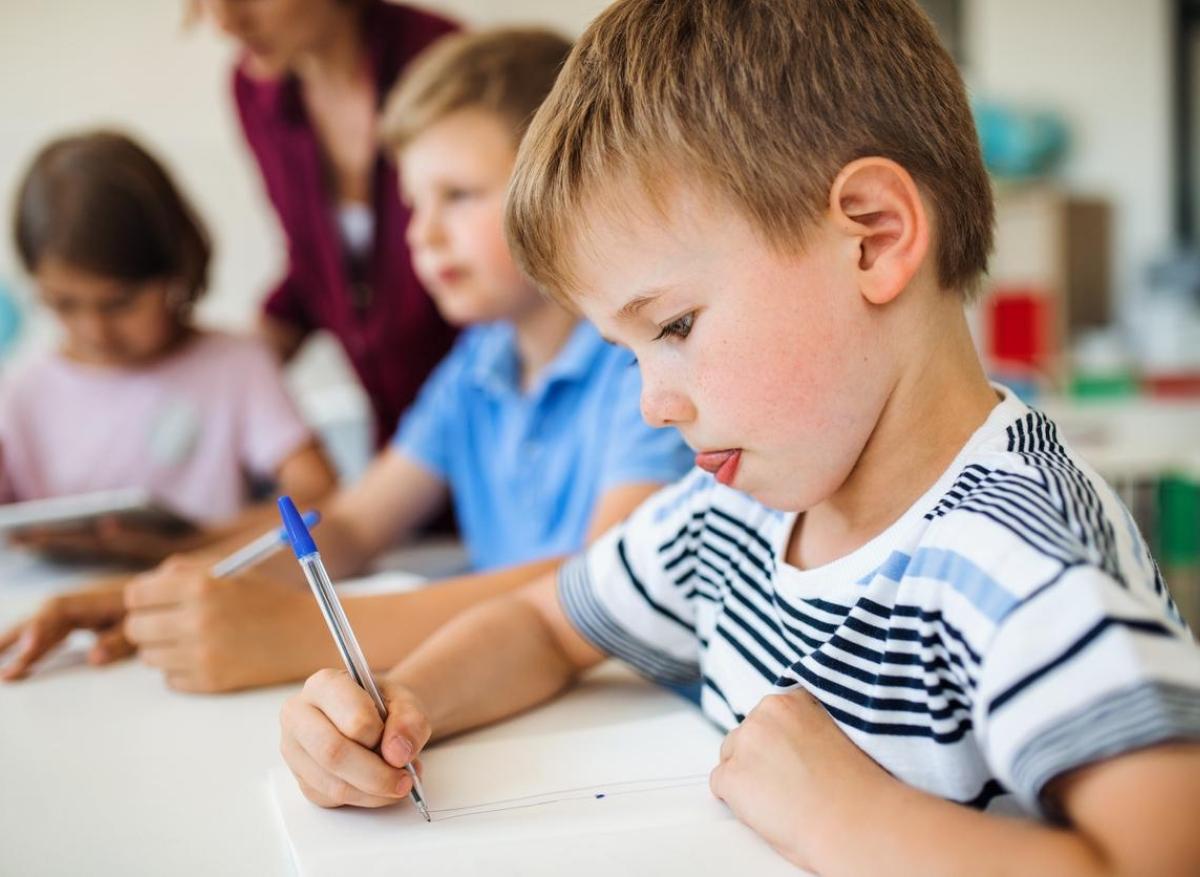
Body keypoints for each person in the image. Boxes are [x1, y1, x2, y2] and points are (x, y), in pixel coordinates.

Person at [278, 1, 1200, 873]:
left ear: (873, 238)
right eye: (627, 351)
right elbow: (544, 625)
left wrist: (849, 818)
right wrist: (404, 701)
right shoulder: (732, 516)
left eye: (673, 327)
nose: (651, 404)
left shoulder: (1022, 559)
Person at [0, 29, 692, 693]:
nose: (421, 233)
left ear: (560, 189)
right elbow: (354, 525)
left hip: (624, 705)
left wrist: (300, 632)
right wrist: (149, 597)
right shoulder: (475, 367)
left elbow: (600, 581)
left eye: (457, 196)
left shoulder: (638, 364)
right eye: (413, 202)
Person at [0, 130, 335, 563]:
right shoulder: (21, 389)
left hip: (200, 593)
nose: (93, 329)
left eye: (118, 303)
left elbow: (318, 493)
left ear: (176, 268)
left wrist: (193, 542)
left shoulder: (236, 366)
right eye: (63, 304)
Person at [201, 0, 459, 446]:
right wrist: (224, 372)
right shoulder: (255, 90)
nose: (226, 23)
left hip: (482, 414)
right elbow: (314, 266)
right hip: (395, 434)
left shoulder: (443, 63)